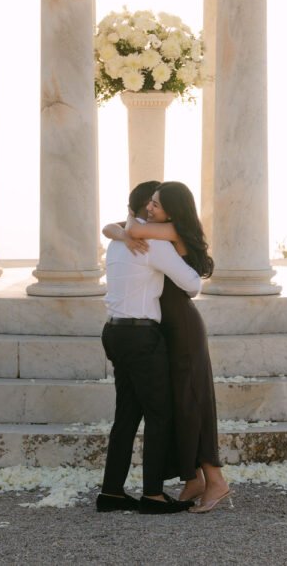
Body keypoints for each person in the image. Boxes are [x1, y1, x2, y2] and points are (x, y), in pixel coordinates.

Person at [125, 181, 231, 514]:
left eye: (156, 203)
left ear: (172, 208)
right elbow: (121, 227)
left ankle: (215, 481)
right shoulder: (168, 230)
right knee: (182, 403)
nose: (150, 207)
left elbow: (128, 226)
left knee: (192, 403)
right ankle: (192, 478)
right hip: (170, 327)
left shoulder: (167, 231)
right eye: (150, 203)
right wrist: (126, 231)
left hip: (182, 328)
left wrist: (127, 230)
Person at [98, 181, 202, 515]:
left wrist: (123, 231)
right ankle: (153, 495)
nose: (156, 211)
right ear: (147, 209)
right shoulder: (151, 245)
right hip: (141, 336)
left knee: (126, 415)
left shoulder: (117, 243)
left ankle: (112, 492)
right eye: (154, 205)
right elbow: (193, 284)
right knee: (160, 414)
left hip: (114, 332)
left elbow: (113, 228)